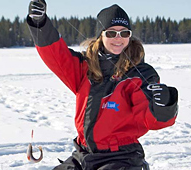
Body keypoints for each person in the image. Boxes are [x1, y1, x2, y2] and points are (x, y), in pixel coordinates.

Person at [27, 0, 178, 169]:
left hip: (122, 158)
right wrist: (39, 23)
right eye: (112, 33)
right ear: (101, 35)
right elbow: (55, 54)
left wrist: (162, 106)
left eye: (124, 33)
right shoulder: (84, 67)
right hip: (83, 155)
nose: (118, 39)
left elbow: (151, 119)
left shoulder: (141, 74)